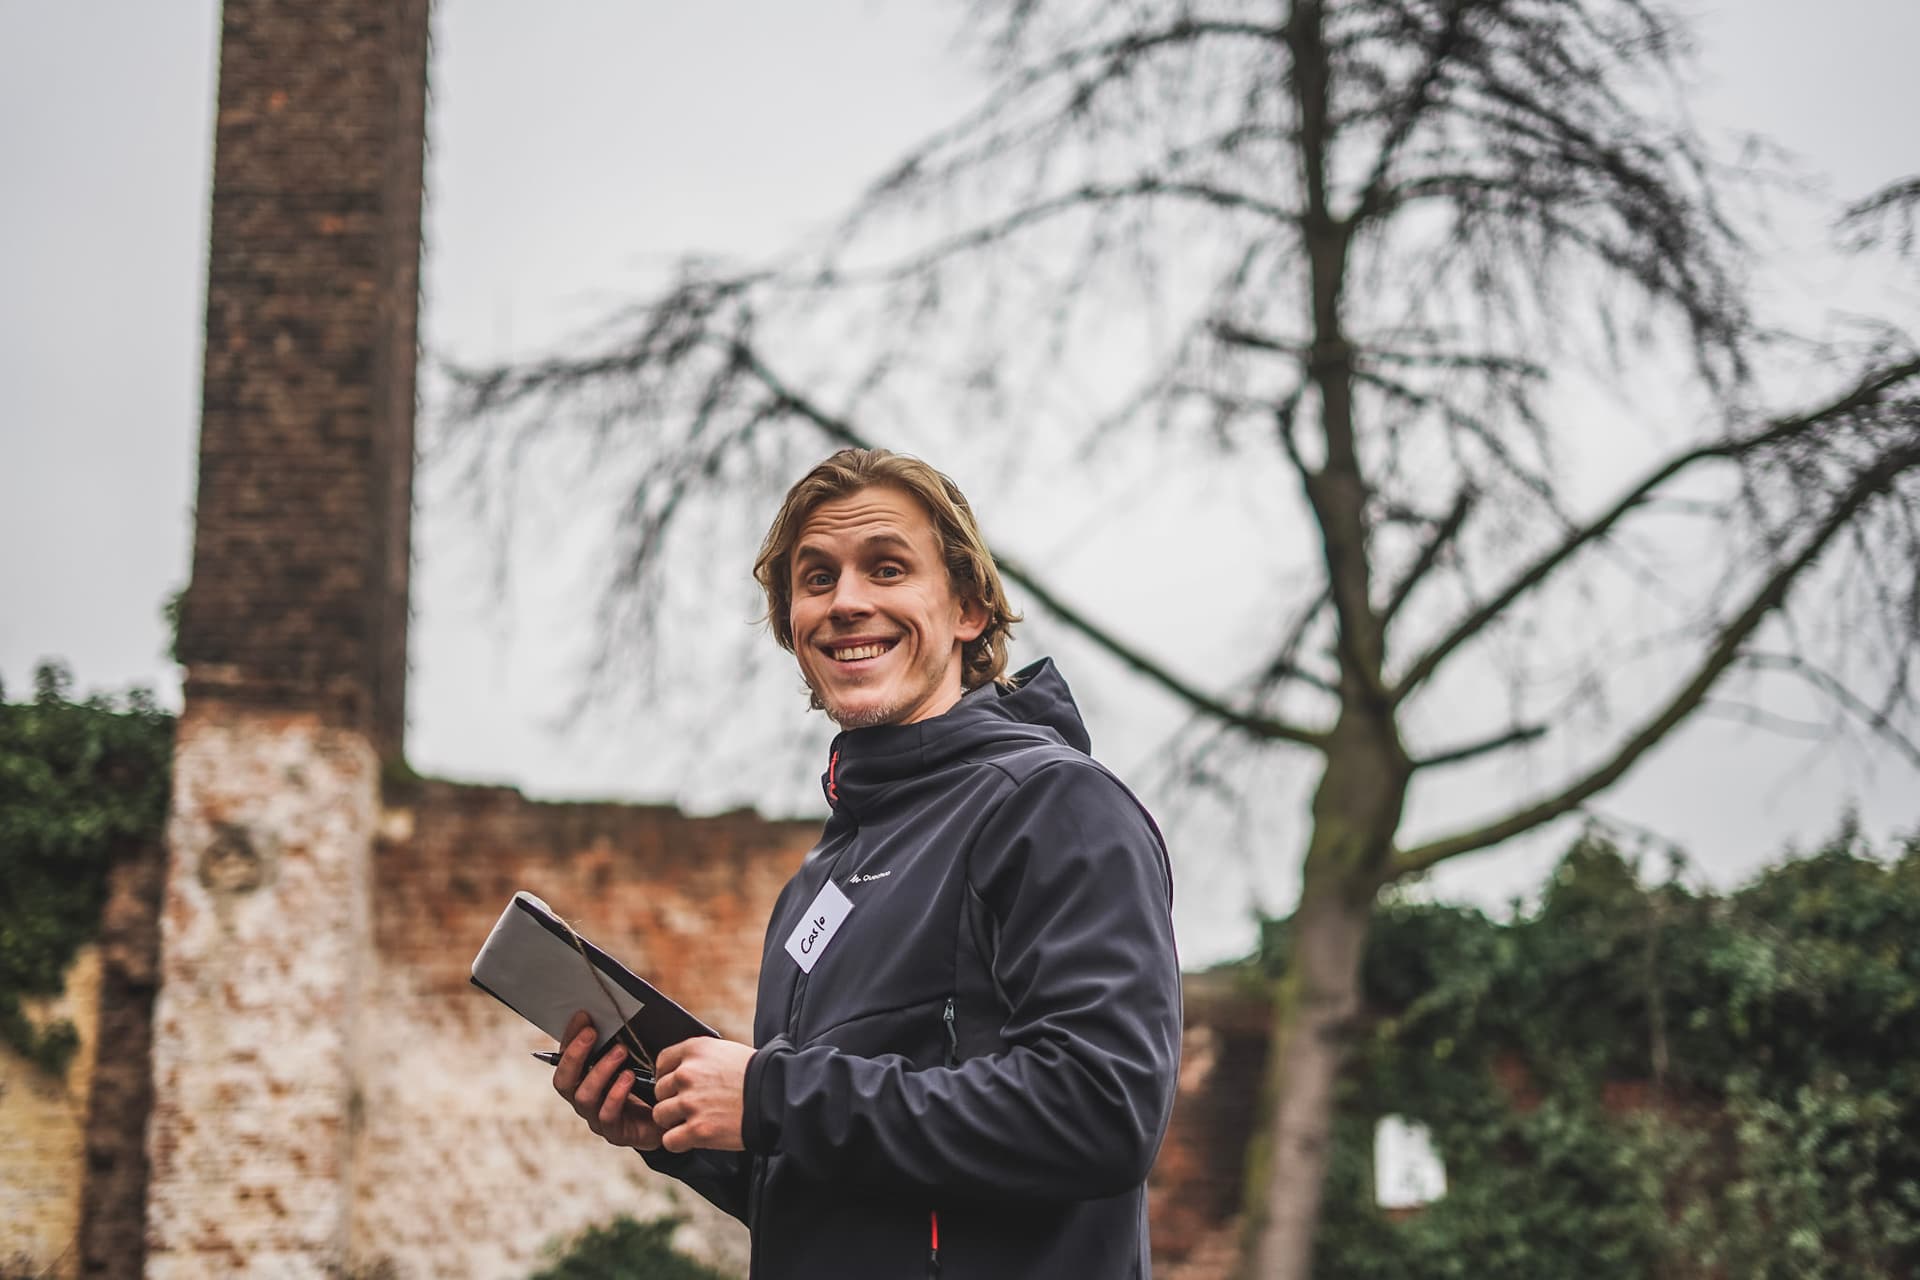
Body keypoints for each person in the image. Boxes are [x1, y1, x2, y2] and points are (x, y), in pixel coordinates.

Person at [552, 448, 1182, 1278]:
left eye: (886, 569)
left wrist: (771, 1097)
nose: (847, 601)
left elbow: (1102, 1112)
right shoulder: (816, 881)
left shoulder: (1054, 805)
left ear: (968, 609)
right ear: (792, 629)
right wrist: (685, 1131)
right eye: (816, 580)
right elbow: (858, 1192)